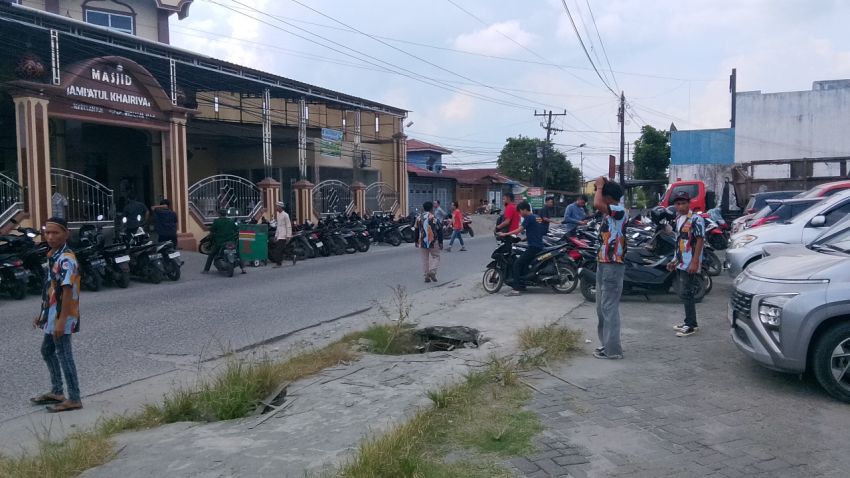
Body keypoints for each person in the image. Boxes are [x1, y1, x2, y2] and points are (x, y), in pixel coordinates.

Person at [30, 217, 83, 413]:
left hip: (63, 316)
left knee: (64, 355)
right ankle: (57, 391)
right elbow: (52, 289)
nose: (50, 237)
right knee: (47, 351)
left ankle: (74, 398)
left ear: (66, 235)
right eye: (47, 232)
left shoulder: (66, 259)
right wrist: (42, 314)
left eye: (55, 233)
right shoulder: (53, 255)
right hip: (52, 314)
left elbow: (67, 291)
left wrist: (61, 321)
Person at [592, 177, 627, 360]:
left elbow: (597, 203)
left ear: (608, 197)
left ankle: (613, 350)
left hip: (613, 265)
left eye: (601, 193)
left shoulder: (619, 211)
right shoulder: (610, 214)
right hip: (603, 263)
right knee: (601, 308)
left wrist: (599, 186)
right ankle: (606, 345)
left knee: (609, 307)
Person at [667, 191, 705, 337]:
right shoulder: (678, 219)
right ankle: (689, 321)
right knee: (685, 292)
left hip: (690, 262)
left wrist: (695, 262)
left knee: (687, 292)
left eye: (683, 203)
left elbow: (700, 240)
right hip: (682, 261)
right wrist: (674, 260)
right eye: (678, 203)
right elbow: (680, 242)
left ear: (689, 203)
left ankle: (691, 325)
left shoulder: (696, 219)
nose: (680, 206)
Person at [499, 201, 546, 296]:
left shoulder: (528, 218)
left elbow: (519, 229)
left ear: (524, 209)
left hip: (533, 247)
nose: (520, 214)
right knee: (524, 263)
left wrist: (505, 233)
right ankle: (523, 285)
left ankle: (516, 289)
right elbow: (537, 230)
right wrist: (525, 238)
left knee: (517, 264)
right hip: (539, 245)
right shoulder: (537, 217)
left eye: (520, 212)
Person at [203, 209, 246, 274]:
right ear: (226, 214)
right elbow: (237, 229)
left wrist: (210, 234)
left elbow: (212, 231)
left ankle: (206, 270)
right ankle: (243, 269)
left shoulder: (217, 221)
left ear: (219, 214)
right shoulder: (231, 221)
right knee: (238, 253)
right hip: (231, 242)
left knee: (211, 255)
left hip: (220, 243)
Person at [414, 201, 440, 282]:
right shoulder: (433, 217)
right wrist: (441, 241)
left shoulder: (419, 218)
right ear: (432, 208)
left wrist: (415, 241)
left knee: (424, 259)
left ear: (423, 208)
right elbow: (439, 229)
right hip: (433, 240)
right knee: (436, 256)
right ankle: (432, 271)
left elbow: (416, 229)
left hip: (422, 241)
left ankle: (426, 276)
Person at [271, 202, 293, 268]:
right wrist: (276, 235)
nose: (276, 208)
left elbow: (288, 225)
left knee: (278, 250)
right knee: (283, 249)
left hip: (284, 235)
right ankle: (293, 257)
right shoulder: (278, 214)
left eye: (277, 206)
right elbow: (278, 226)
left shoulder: (286, 215)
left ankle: (278, 263)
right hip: (279, 234)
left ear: (280, 207)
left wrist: (288, 236)